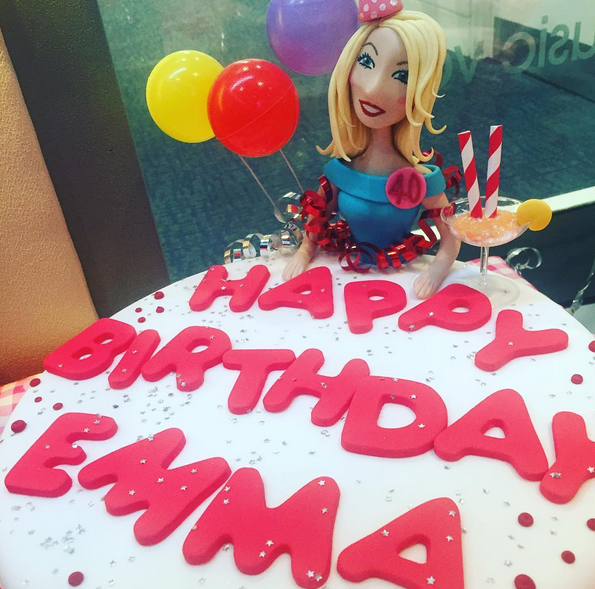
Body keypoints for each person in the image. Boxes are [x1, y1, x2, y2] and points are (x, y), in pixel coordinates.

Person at [283, 6, 461, 299]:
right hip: (344, 278)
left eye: (401, 76)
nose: (373, 87)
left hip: (403, 282)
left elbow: (451, 238)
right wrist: (304, 252)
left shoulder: (421, 180)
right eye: (366, 61)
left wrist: (435, 272)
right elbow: (317, 219)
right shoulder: (340, 172)